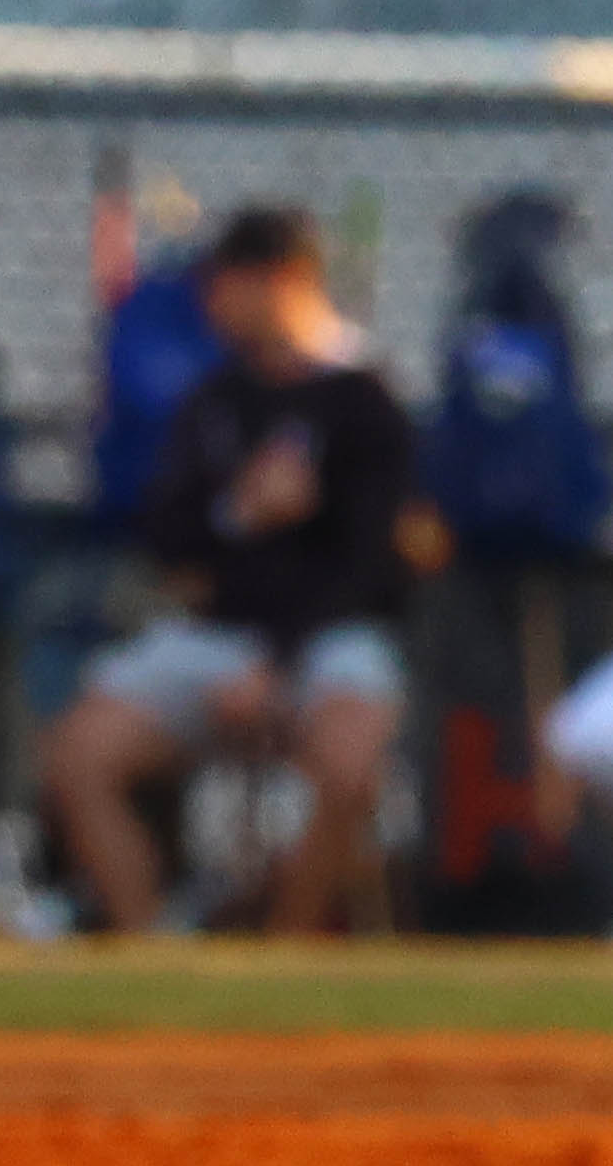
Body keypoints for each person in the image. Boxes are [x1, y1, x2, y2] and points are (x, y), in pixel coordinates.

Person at [40, 204, 414, 936]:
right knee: (76, 755)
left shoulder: (364, 401)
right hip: (218, 639)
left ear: (280, 281)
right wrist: (240, 513)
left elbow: (373, 568)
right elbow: (170, 536)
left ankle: (287, 951)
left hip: (324, 638)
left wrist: (277, 662)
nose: (212, 304)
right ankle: (150, 945)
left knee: (347, 766)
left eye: (227, 284)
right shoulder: (217, 400)